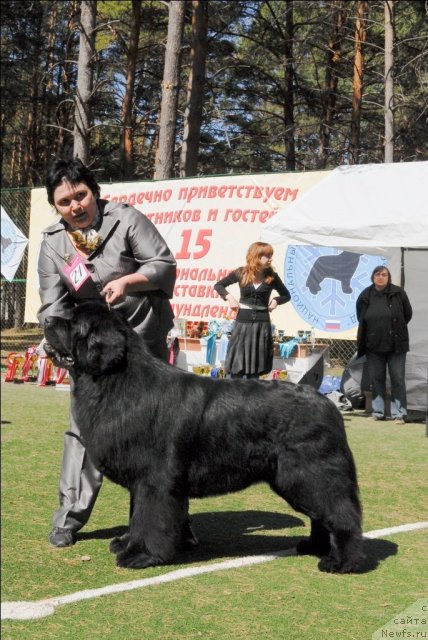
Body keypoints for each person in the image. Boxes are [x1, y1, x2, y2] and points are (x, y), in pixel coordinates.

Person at [37, 157, 197, 548]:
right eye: (64, 201)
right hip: (91, 351)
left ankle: (166, 522)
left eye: (81, 195)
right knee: (83, 427)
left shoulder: (126, 219)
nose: (75, 206)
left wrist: (129, 280)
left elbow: (163, 263)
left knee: (160, 434)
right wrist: (54, 341)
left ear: (94, 191)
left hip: (142, 343)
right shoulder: (53, 243)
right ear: (55, 206)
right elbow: (52, 306)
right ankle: (69, 515)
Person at [214, 242, 291, 378]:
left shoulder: (272, 276)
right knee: (237, 365)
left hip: (262, 325)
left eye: (270, 255)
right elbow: (219, 285)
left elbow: (286, 295)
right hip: (242, 323)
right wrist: (229, 297)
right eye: (266, 255)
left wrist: (275, 301)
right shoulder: (240, 272)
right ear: (256, 256)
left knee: (256, 366)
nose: (270, 259)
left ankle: (253, 395)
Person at [356, 265, 413, 423]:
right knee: (376, 379)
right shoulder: (365, 295)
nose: (381, 277)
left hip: (396, 345)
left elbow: (407, 314)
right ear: (373, 277)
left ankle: (399, 414)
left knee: (398, 379)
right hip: (373, 346)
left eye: (384, 275)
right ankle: (378, 412)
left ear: (388, 277)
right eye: (377, 274)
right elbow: (360, 316)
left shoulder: (398, 293)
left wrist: (395, 328)